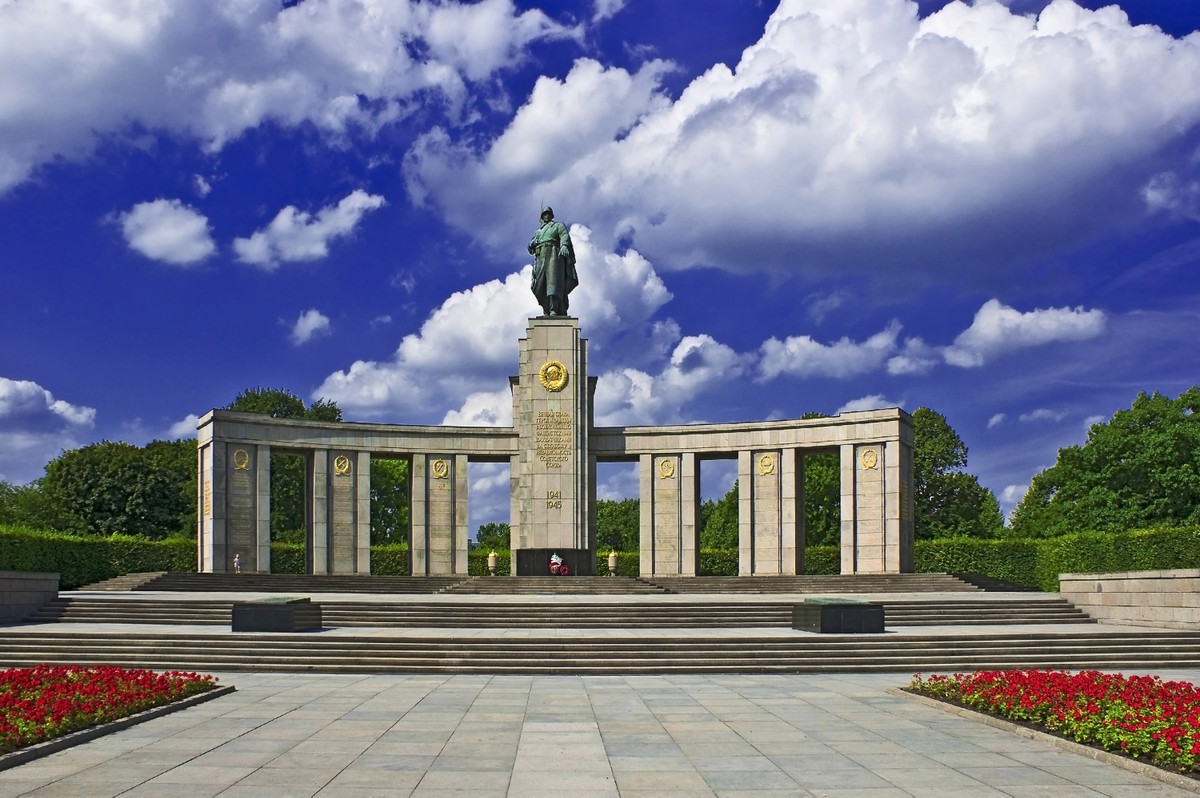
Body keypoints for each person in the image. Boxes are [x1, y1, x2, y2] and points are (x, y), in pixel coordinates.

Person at [528, 206, 578, 316]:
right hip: (540, 256)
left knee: (553, 282)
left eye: (548, 214)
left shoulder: (558, 226)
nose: (546, 215)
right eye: (544, 214)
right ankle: (545, 307)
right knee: (540, 284)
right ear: (542, 217)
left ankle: (553, 309)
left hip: (553, 254)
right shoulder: (538, 232)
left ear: (551, 215)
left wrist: (564, 245)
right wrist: (531, 244)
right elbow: (530, 247)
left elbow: (564, 235)